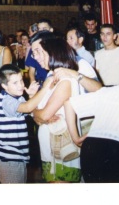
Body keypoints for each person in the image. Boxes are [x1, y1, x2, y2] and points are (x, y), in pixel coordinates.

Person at [31, 36, 83, 183]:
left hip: (62, 150)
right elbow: (39, 115)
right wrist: (37, 114)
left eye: (42, 53)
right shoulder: (52, 79)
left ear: (54, 53)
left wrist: (37, 114)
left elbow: (44, 115)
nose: (37, 58)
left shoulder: (65, 81)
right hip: (51, 148)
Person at [0, 63, 46, 183]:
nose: (21, 85)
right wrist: (45, 87)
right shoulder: (6, 100)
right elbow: (27, 108)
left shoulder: (17, 98)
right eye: (15, 83)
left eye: (21, 80)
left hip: (18, 156)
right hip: (9, 158)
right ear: (4, 86)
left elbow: (32, 113)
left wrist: (31, 95)